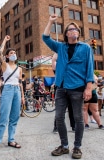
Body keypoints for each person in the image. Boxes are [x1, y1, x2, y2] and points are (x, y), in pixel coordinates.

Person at [43, 14, 94, 159]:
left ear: (78, 32)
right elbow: (45, 38)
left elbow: (89, 67)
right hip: (61, 88)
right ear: (66, 34)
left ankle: (77, 147)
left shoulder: (85, 48)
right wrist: (51, 21)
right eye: (70, 29)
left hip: (77, 88)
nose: (73, 31)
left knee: (78, 118)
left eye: (75, 29)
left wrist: (88, 87)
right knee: (59, 117)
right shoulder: (61, 47)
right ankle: (64, 146)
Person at [0, 35, 24, 151]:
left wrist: (22, 96)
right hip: (8, 89)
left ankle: (11, 139)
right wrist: (5, 40)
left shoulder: (19, 69)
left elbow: (20, 83)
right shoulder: (5, 65)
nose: (13, 54)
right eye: (11, 53)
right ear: (7, 56)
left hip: (17, 91)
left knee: (15, 117)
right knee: (4, 117)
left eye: (14, 53)